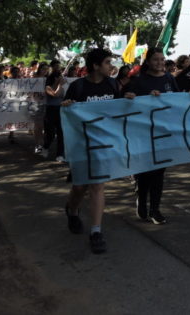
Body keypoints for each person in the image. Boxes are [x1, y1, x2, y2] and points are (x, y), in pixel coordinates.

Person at [62, 48, 122, 254]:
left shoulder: (113, 84)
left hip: (103, 145)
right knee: (80, 187)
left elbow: (122, 109)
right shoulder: (78, 87)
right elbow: (66, 116)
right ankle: (71, 210)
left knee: (97, 185)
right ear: (96, 66)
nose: (111, 66)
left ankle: (96, 232)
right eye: (107, 62)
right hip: (81, 146)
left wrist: (130, 98)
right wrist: (67, 106)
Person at [124, 47, 180, 224]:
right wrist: (137, 97)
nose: (160, 63)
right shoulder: (138, 80)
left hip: (163, 133)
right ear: (148, 61)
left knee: (159, 172)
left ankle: (155, 209)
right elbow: (123, 100)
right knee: (145, 171)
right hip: (142, 133)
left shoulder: (170, 78)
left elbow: (179, 100)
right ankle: (141, 199)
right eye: (156, 60)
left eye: (162, 60)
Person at [43, 65, 67, 161]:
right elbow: (55, 94)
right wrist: (59, 84)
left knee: (61, 132)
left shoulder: (63, 87)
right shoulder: (48, 87)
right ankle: (45, 147)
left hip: (61, 110)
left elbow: (63, 95)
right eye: (59, 77)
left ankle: (60, 154)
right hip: (51, 110)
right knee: (50, 133)